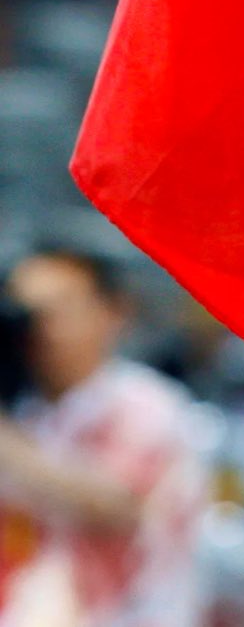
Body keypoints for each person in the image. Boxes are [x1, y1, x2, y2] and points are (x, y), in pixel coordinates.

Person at [0, 247, 208, 627]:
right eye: (25, 309)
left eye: (58, 307)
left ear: (113, 312)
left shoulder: (144, 404)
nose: (39, 326)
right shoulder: (27, 408)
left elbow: (114, 505)